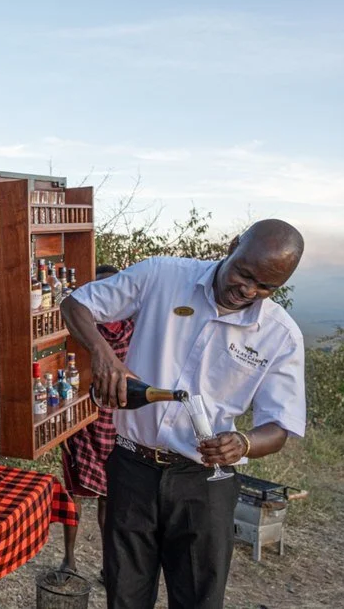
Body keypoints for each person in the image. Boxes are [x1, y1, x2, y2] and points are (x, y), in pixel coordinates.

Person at [60, 219, 305, 609]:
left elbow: (278, 427)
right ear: (233, 246)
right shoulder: (163, 275)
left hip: (205, 484)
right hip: (132, 467)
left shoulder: (280, 335)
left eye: (265, 287)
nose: (249, 290)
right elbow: (75, 304)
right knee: (125, 594)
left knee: (197, 599)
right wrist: (103, 356)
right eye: (244, 274)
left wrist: (243, 443)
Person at [59, 264, 133, 581]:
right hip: (81, 418)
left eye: (113, 288)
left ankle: (109, 564)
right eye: (101, 289)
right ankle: (69, 559)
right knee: (72, 492)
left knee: (110, 497)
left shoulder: (135, 326)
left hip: (116, 420)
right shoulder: (81, 326)